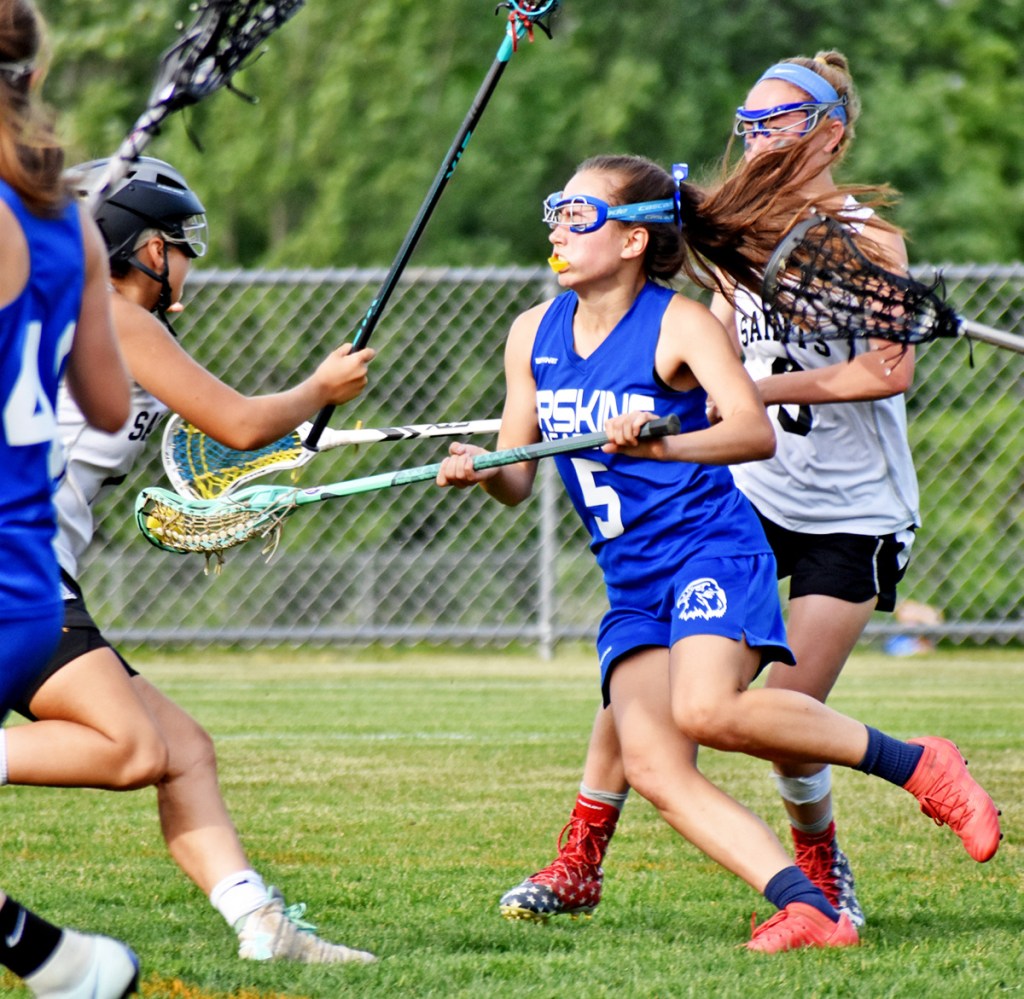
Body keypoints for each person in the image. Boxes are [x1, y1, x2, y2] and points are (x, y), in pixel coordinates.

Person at [436, 151, 1001, 952]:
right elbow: (517, 478)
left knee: (707, 709)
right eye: (555, 211)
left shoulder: (680, 324)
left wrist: (660, 446)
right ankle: (809, 907)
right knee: (658, 769)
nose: (559, 231)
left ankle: (919, 763)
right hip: (632, 581)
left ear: (633, 241)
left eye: (580, 215)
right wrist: (478, 471)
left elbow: (749, 430)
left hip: (709, 549)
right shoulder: (531, 334)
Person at [497, 52, 927, 932]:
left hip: (850, 505)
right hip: (748, 488)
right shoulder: (740, 238)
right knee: (647, 669)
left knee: (780, 711)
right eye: (751, 122)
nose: (758, 137)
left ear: (830, 131)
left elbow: (889, 371)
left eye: (779, 122)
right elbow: (712, 356)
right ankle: (581, 853)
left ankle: (820, 870)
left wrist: (752, 391)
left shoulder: (868, 239)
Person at [1, 155, 378, 965]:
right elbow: (240, 423)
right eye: (177, 241)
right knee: (133, 746)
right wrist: (320, 388)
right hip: (17, 570)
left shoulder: (83, 316)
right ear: (135, 245)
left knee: (185, 749)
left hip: (39, 571)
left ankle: (263, 928)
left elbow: (217, 434)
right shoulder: (110, 313)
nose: (189, 260)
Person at [1, 1, 138, 995]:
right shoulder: (68, 228)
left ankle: (51, 958)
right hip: (23, 589)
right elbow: (105, 401)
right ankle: (54, 961)